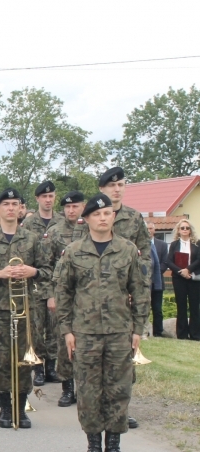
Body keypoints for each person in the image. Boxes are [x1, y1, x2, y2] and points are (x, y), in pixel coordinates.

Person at [55, 193, 148, 452]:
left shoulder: (128, 250)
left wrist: (138, 328)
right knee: (88, 390)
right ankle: (93, 446)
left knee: (119, 390)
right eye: (97, 214)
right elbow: (63, 292)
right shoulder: (74, 251)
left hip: (120, 331)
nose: (103, 218)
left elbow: (139, 290)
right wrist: (67, 330)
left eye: (107, 213)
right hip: (85, 333)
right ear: (88, 219)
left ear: (113, 216)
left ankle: (115, 448)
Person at [0, 188, 52, 429]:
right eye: (5, 204)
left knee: (25, 360)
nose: (10, 208)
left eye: (14, 204)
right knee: (2, 360)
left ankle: (22, 407)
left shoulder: (33, 239)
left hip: (26, 309)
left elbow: (48, 271)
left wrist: (32, 271)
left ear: (20, 208)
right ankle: (6, 408)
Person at [99, 166, 150, 430]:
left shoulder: (134, 217)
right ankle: (97, 411)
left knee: (125, 359)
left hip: (124, 300)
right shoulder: (93, 216)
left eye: (121, 185)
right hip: (95, 303)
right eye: (112, 185)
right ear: (102, 189)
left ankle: (122, 409)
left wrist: (140, 286)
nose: (117, 189)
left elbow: (146, 255)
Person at [45, 191, 88, 407]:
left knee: (86, 343)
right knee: (63, 342)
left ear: (83, 207)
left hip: (87, 295)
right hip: (62, 295)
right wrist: (50, 296)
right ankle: (67, 388)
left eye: (75, 206)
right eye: (67, 207)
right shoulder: (54, 232)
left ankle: (83, 388)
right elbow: (47, 265)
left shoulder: (91, 228)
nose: (71, 210)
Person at [22, 181, 65, 386]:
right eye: (44, 197)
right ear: (37, 199)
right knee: (37, 329)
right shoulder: (29, 225)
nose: (48, 200)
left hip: (58, 285)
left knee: (55, 328)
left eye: (51, 196)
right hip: (36, 285)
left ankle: (51, 367)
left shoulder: (62, 222)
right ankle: (38, 367)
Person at [165, 220, 200, 340]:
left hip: (193, 278)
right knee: (181, 306)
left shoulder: (197, 243)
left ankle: (195, 334)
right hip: (179, 279)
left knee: (195, 306)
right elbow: (169, 261)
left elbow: (199, 260)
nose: (185, 230)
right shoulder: (174, 244)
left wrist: (188, 270)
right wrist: (181, 271)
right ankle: (182, 334)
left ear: (190, 230)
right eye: (182, 228)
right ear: (178, 230)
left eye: (187, 228)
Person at [148, 222, 168, 337]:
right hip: (145, 283)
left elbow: (165, 262)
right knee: (144, 309)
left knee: (157, 309)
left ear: (154, 230)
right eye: (147, 228)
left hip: (158, 282)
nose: (149, 230)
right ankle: (145, 332)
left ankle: (158, 332)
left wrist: (154, 273)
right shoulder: (140, 244)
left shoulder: (162, 245)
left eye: (151, 228)